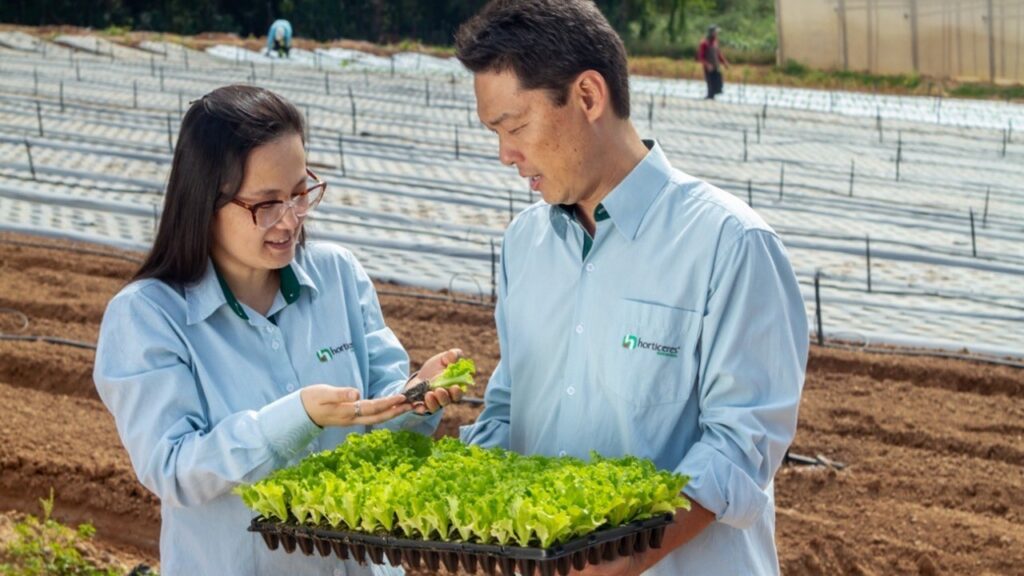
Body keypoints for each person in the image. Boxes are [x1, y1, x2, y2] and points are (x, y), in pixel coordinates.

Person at [455, 1, 807, 574]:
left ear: (589, 96)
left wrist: (603, 563)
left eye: (514, 126)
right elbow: (509, 411)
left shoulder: (730, 244)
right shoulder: (524, 244)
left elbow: (738, 450)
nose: (505, 155)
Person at [93, 84, 461, 576]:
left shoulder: (337, 276)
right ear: (206, 199)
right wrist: (295, 418)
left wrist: (412, 400)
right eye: (266, 204)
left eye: (299, 194)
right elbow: (174, 470)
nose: (290, 220)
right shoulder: (147, 317)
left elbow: (378, 425)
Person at [699, 24, 729, 99]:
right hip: (708, 67)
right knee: (710, 83)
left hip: (716, 65)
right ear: (711, 33)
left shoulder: (715, 42)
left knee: (718, 82)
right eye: (715, 32)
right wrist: (707, 65)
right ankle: (709, 97)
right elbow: (701, 57)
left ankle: (712, 96)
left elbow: (718, 53)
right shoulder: (704, 43)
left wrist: (724, 62)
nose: (716, 34)